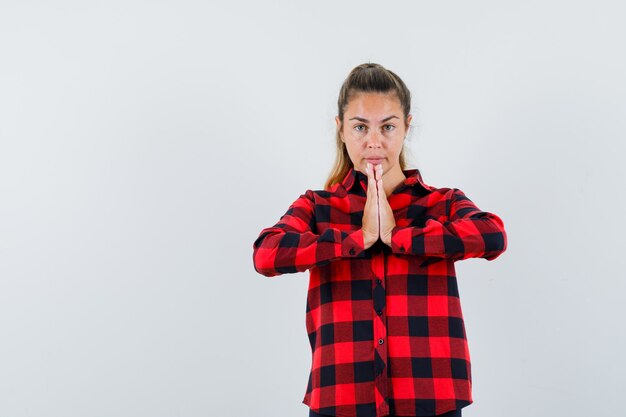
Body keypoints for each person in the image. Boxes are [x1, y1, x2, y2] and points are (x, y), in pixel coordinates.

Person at [252, 63, 508, 417]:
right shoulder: (318, 206)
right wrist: (358, 238)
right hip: (342, 400)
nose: (374, 142)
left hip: (431, 399)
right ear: (341, 130)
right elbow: (266, 255)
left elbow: (492, 235)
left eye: (388, 126)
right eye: (360, 127)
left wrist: (397, 236)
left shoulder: (441, 203)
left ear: (406, 128)